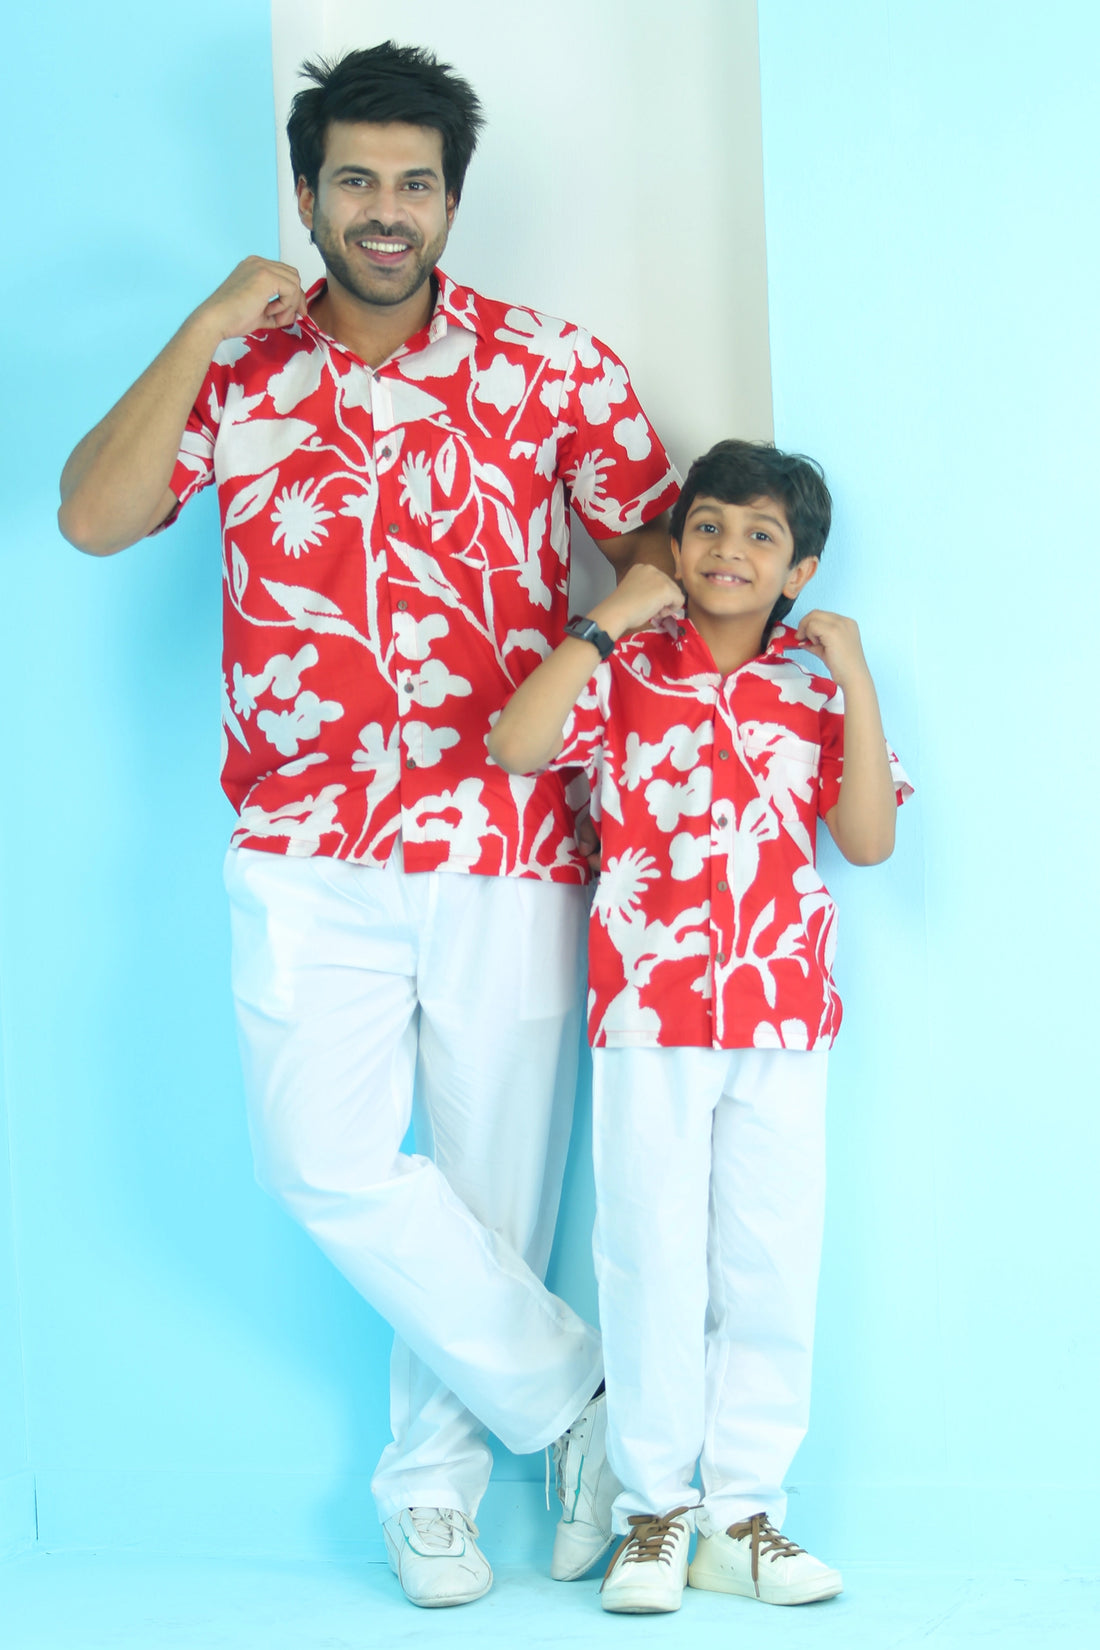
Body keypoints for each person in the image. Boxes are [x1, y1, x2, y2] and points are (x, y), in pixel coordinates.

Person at [57, 41, 680, 1608]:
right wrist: (204, 324)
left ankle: (434, 1491)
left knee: (487, 1194)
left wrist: (603, 669)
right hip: (301, 838)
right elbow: (92, 513)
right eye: (356, 181)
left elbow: (665, 558)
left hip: (505, 833)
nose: (384, 210)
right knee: (319, 1155)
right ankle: (584, 1399)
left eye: (413, 182)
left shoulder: (550, 366)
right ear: (310, 192)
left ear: (452, 199)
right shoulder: (240, 372)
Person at [489, 438, 912, 1614]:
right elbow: (515, 746)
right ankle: (652, 1513)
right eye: (710, 525)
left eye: (761, 536)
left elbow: (868, 839)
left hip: (781, 1013)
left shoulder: (813, 685)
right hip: (646, 1010)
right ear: (676, 543)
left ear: (798, 570)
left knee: (770, 1261)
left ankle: (745, 1512)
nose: (730, 549)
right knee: (648, 1258)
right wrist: (605, 619)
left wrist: (858, 673)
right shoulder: (626, 669)